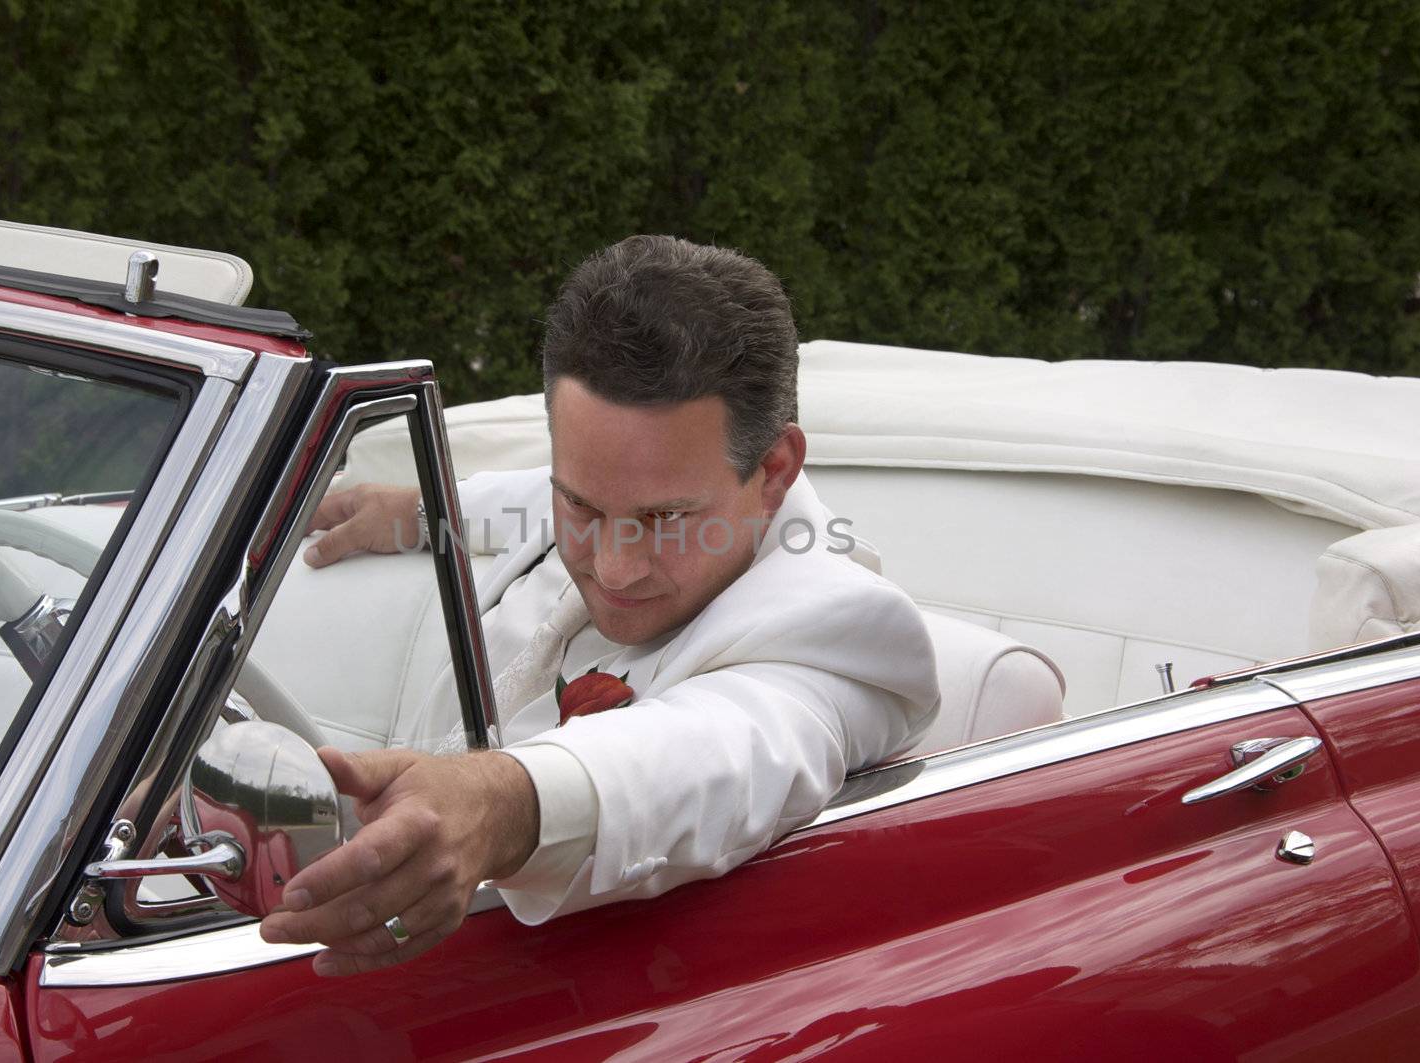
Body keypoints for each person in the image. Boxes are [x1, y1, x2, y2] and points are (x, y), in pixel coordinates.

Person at [259, 235, 939, 976]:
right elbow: (519, 498)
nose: (615, 566)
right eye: (579, 502)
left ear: (773, 470)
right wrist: (420, 511)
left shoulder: (842, 630)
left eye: (664, 519)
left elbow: (718, 755)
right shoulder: (610, 490)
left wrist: (501, 803)